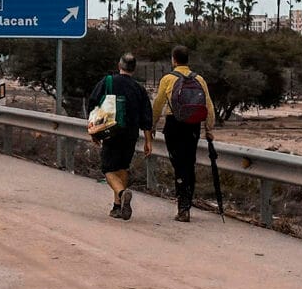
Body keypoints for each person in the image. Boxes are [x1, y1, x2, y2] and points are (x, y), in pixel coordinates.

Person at [150, 45, 216, 223]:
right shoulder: (199, 79)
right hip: (193, 126)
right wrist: (209, 129)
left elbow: (158, 103)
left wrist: (152, 125)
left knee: (178, 164)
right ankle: (186, 204)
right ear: (188, 60)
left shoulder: (168, 79)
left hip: (174, 124)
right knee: (189, 163)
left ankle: (183, 206)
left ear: (174, 59)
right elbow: (208, 105)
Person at [86, 53, 151, 220]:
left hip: (111, 131)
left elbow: (92, 102)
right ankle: (117, 207)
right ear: (134, 69)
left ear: (119, 65)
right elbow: (146, 117)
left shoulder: (108, 81)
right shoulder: (139, 88)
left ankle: (121, 193)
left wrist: (93, 127)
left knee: (108, 169)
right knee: (122, 167)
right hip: (131, 134)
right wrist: (148, 141)